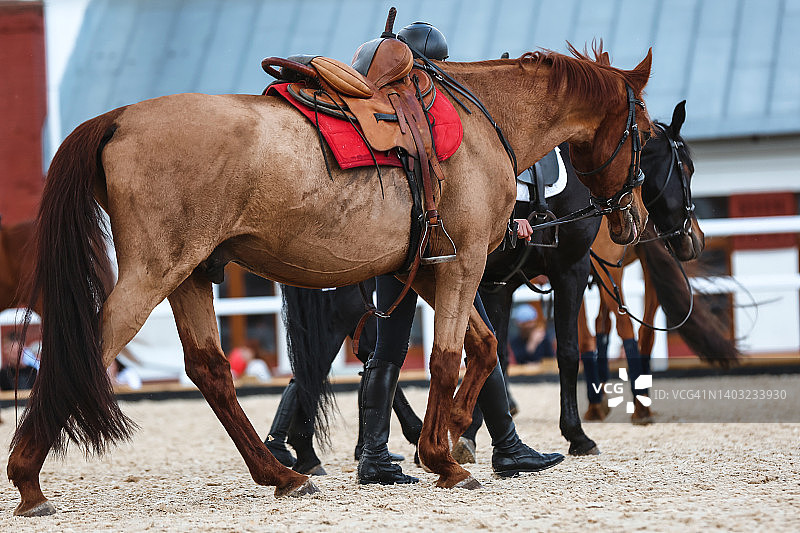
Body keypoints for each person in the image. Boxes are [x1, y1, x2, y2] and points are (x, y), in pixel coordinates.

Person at [357, 21, 563, 485]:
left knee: (442, 344)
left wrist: (501, 220)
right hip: (414, 248)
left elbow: (461, 196)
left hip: (412, 245)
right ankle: (377, 455)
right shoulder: (435, 116)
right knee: (411, 347)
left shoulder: (407, 116)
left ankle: (496, 446)